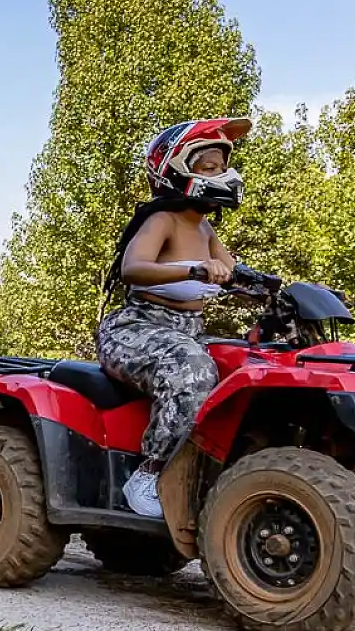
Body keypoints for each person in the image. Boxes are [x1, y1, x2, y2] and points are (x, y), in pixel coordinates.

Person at [96, 117, 252, 518]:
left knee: (245, 370)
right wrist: (193, 270)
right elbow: (134, 267)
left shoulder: (205, 229)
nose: (223, 175)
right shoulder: (161, 220)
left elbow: (235, 273)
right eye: (210, 167)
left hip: (187, 331)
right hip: (137, 327)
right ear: (177, 169)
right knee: (192, 369)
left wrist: (270, 287)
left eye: (224, 166)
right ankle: (147, 476)